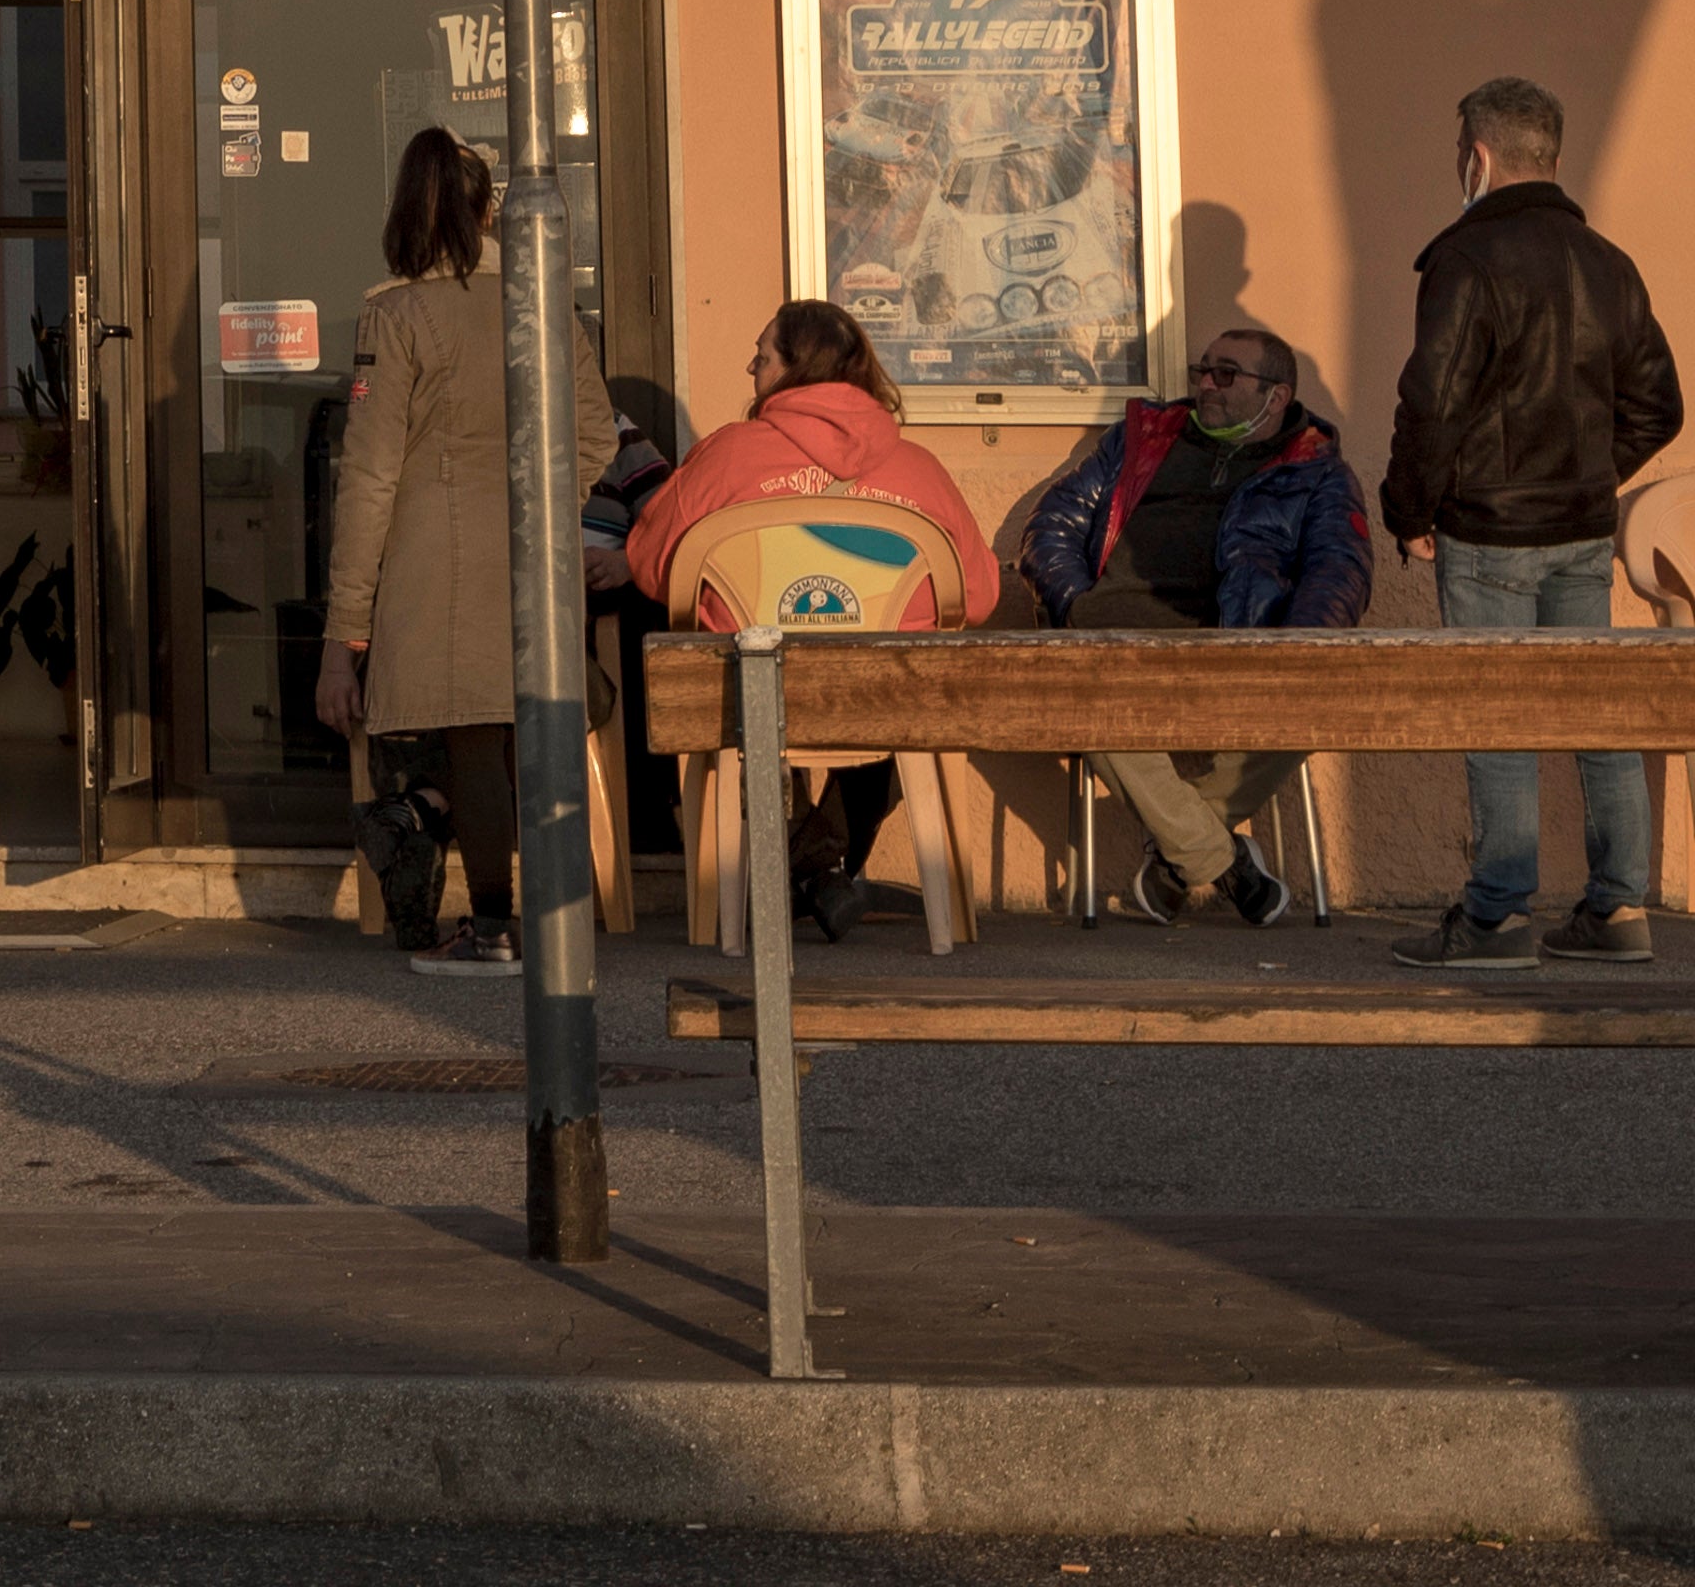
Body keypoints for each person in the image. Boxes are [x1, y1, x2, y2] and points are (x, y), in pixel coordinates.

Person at [1377, 72, 1683, 971]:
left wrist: (1412, 511)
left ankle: (1496, 921)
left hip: (1487, 535)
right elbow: (1659, 407)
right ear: (1547, 155)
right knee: (1599, 716)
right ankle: (1618, 911)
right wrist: (1590, 476)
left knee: (1498, 718)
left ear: (1476, 157)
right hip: (1581, 529)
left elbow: (1429, 403)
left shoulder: (1466, 262)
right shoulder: (1607, 262)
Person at [315, 128, 620, 974]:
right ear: (491, 212)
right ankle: (545, 911)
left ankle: (487, 926)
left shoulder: (396, 312)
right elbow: (597, 433)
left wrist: (345, 633)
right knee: (528, 719)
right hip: (535, 545)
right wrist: (543, 497)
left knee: (474, 728)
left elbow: (370, 477)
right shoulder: (544, 302)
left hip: (432, 549)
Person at [629, 299, 1001, 938]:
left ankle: (805, 861)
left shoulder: (725, 458)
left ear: (796, 369)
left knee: (747, 666)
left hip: (750, 698)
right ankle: (819, 862)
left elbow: (649, 567)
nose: (751, 366)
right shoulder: (919, 469)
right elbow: (980, 593)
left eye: (763, 354)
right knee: (905, 671)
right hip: (881, 699)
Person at [1014, 320, 1370, 921]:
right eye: (1202, 371)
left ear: (1275, 396)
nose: (1207, 383)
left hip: (1232, 652)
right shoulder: (1139, 440)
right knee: (1077, 696)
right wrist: (1077, 606)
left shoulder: (1316, 469)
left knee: (1321, 693)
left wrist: (1294, 651)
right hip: (1113, 641)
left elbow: (1340, 569)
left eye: (1225, 374)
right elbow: (1052, 526)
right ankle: (1221, 862)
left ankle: (1182, 853)